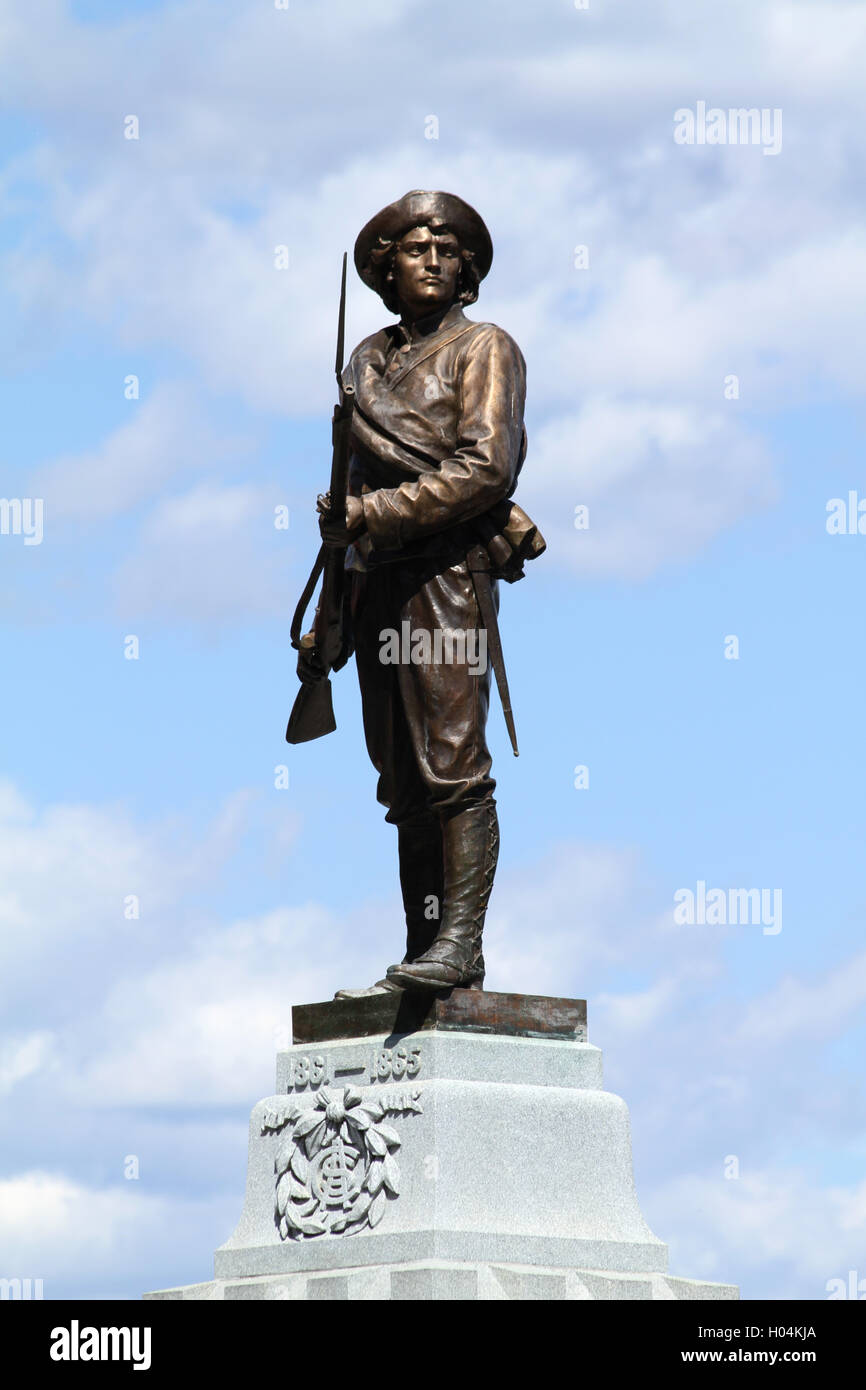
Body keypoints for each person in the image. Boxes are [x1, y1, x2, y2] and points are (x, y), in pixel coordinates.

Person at [313, 190, 538, 996]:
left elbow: (487, 468)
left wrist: (373, 514)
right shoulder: (365, 365)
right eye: (415, 248)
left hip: (447, 576)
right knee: (402, 779)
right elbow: (345, 495)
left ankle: (460, 949)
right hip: (375, 584)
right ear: (387, 268)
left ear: (468, 270)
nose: (434, 259)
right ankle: (423, 952)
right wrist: (331, 608)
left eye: (448, 249)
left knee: (452, 767)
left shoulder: (485, 348)